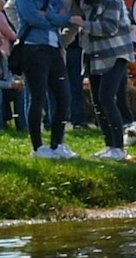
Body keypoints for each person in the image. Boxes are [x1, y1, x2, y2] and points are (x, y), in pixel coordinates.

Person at [18, 0, 78, 157]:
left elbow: (65, 17)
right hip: (33, 48)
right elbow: (33, 19)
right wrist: (55, 20)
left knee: (63, 97)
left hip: (55, 48)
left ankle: (57, 143)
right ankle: (37, 147)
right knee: (37, 98)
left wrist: (48, 16)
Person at [79, 0, 132, 158]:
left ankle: (119, 148)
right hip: (94, 55)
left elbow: (110, 28)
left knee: (106, 98)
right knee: (97, 101)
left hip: (115, 53)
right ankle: (109, 145)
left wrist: (83, 24)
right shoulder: (85, 3)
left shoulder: (113, 2)